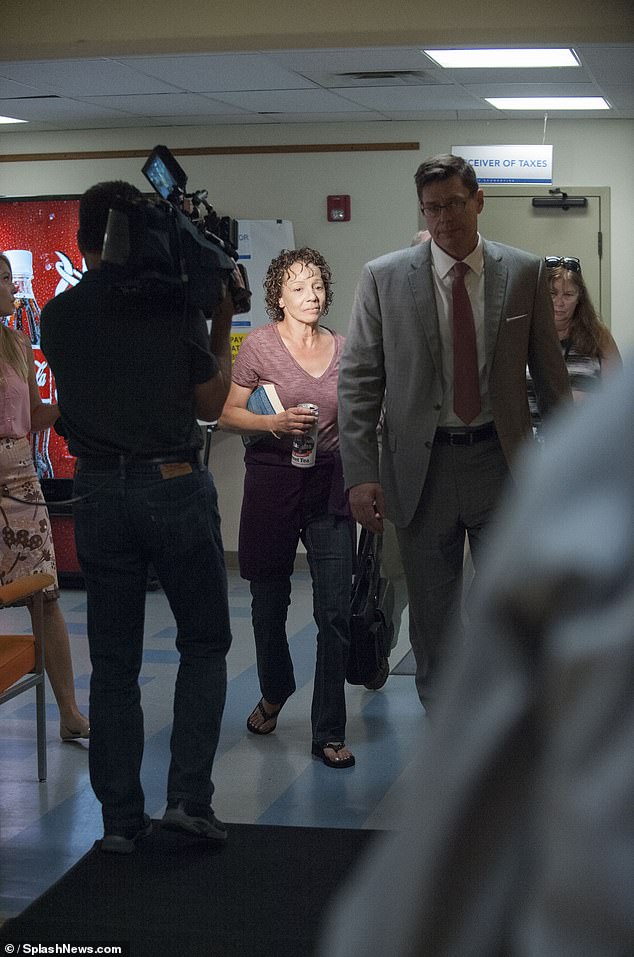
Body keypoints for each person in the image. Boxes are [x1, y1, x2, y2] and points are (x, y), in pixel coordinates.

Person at [320, 357, 634, 957]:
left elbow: (421, 904)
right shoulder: (598, 462)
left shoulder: (600, 461)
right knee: (438, 637)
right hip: (423, 486)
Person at [39, 181, 234, 853]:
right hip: (173, 485)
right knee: (204, 641)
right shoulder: (173, 307)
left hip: (96, 494)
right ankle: (187, 799)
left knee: (115, 663)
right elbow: (210, 403)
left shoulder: (56, 317)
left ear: (86, 240)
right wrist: (216, 317)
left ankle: (120, 820)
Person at [338, 153, 572, 709]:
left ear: (479, 200)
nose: (444, 219)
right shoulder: (384, 278)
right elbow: (360, 383)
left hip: (501, 461)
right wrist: (361, 476)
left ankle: (505, 734)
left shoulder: (522, 272)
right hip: (422, 471)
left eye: (455, 205)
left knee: (510, 608)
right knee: (434, 622)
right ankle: (444, 736)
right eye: (432, 208)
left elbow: (550, 376)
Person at [219, 247, 355, 769]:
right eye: (299, 287)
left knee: (334, 610)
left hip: (330, 481)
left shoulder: (345, 348)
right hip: (273, 480)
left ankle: (329, 730)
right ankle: (275, 692)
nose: (312, 294)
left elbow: (362, 416)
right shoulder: (258, 345)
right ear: (279, 295)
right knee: (268, 603)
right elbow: (227, 414)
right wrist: (272, 425)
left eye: (318, 284)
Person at [0, 252, 89, 742]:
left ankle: (70, 713)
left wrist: (76, 400)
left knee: (45, 597)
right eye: (4, 280)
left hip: (20, 483)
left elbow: (33, 415)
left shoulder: (14, 341)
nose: (14, 289)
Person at [527, 255, 621, 433]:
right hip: (530, 445)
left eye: (568, 295)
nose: (559, 303)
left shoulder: (598, 337)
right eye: (552, 294)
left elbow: (620, 400)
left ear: (579, 298)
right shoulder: (523, 334)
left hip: (584, 440)